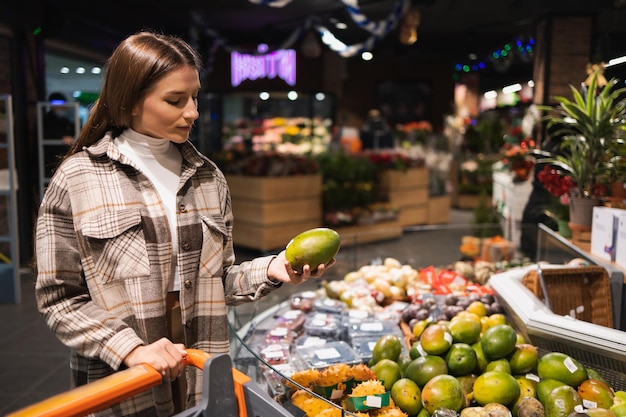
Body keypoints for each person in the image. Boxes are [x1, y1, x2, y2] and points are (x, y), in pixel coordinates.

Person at [34, 31, 334, 417]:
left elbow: (217, 279)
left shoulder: (207, 178)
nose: (191, 112)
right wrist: (131, 348)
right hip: (123, 370)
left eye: (194, 97)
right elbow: (59, 298)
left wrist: (272, 269)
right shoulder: (78, 177)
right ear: (130, 101)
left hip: (202, 359)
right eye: (175, 101)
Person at [42, 92, 76, 177]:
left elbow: (74, 131)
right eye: (56, 104)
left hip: (62, 160)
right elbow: (46, 133)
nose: (59, 107)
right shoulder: (45, 121)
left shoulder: (67, 121)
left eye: (61, 104)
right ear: (50, 106)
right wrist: (61, 137)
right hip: (49, 161)